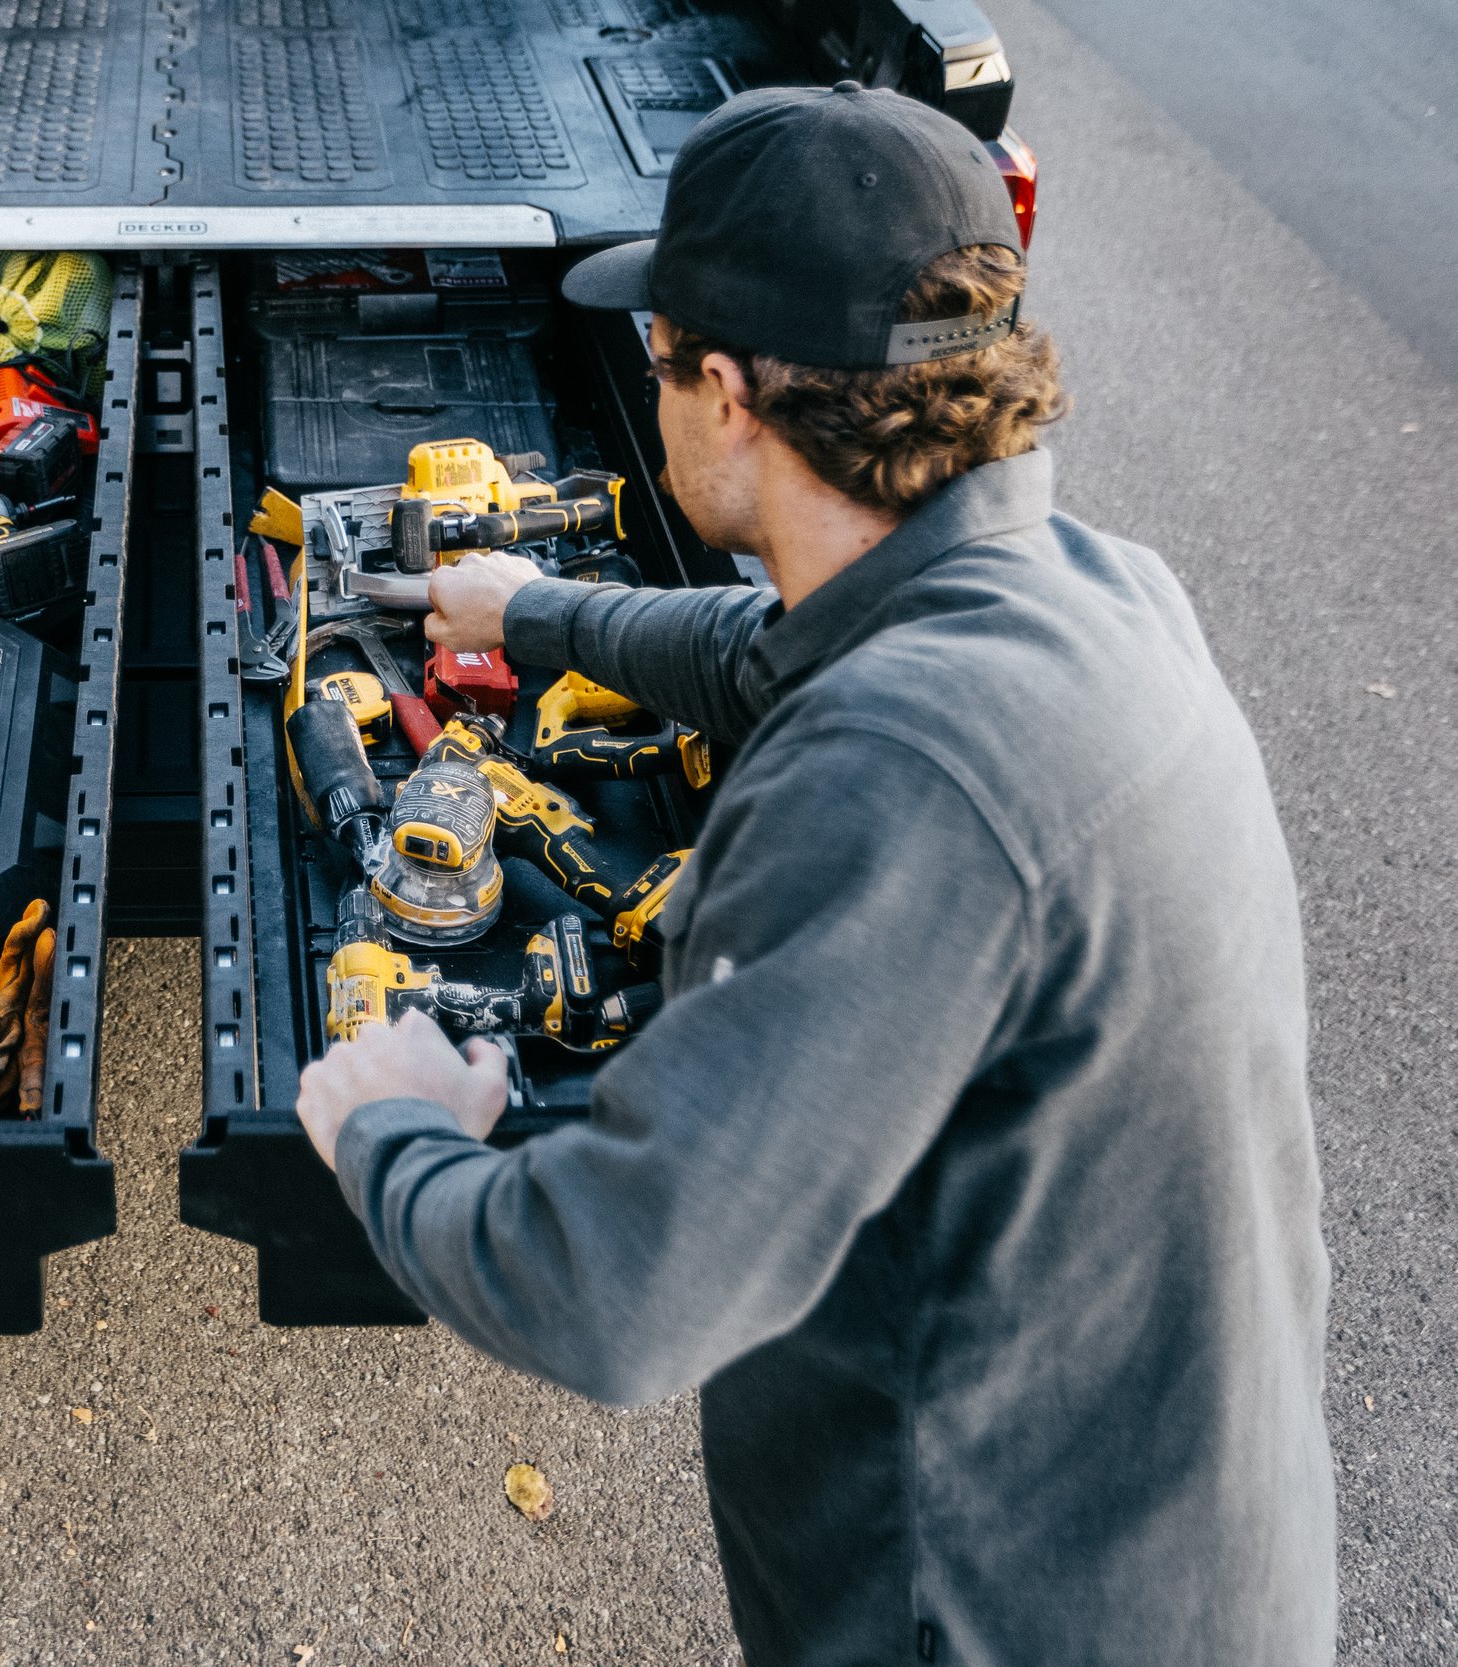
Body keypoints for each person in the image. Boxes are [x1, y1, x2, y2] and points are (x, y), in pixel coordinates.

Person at [293, 82, 1332, 1666]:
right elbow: (787, 650)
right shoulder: (1091, 597)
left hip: (991, 1619)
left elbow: (617, 1293)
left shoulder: (906, 787)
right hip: (1176, 1552)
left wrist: (392, 1138)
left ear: (727, 392)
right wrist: (539, 611)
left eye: (654, 363)